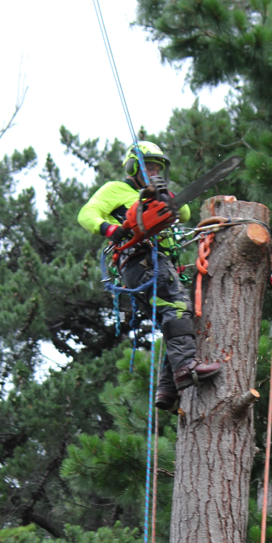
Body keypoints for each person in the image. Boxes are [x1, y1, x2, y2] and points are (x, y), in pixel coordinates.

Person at [77, 141, 221, 411]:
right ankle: (185, 367)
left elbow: (185, 212)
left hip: (154, 263)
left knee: (175, 320)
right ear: (134, 168)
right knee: (178, 306)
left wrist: (163, 196)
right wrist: (110, 229)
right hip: (140, 260)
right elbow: (86, 214)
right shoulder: (115, 189)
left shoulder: (157, 195)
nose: (154, 172)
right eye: (149, 167)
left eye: (157, 168)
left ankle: (167, 388)